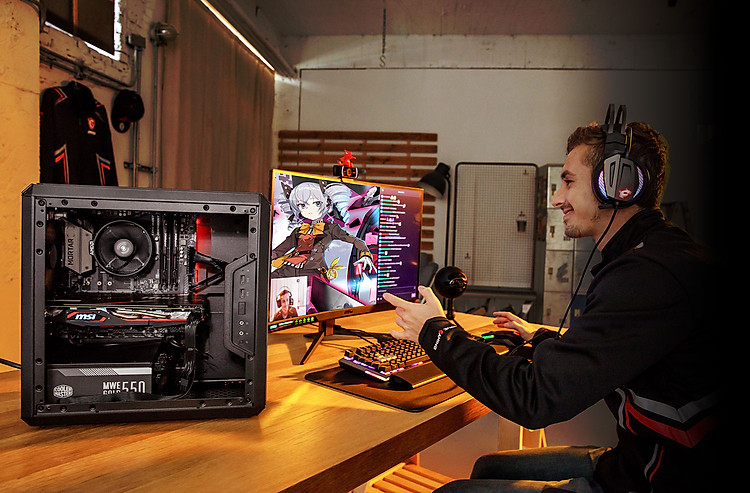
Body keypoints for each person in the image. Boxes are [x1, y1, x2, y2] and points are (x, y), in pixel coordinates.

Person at [384, 115, 722, 492]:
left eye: (569, 181)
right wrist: (543, 338)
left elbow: (535, 400)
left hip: (659, 479)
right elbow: (609, 351)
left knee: (453, 491)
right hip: (636, 460)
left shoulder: (648, 276)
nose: (557, 198)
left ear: (617, 185)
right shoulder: (650, 256)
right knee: (488, 468)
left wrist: (436, 332)